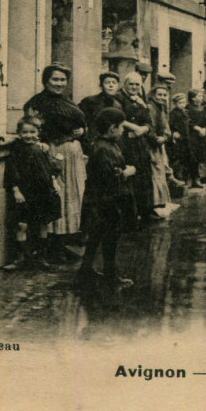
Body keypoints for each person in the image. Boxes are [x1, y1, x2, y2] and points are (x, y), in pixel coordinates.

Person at [23, 64, 87, 261]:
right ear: (46, 81)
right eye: (55, 79)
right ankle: (51, 246)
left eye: (62, 80)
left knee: (72, 199)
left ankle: (63, 243)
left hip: (73, 155)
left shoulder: (67, 101)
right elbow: (32, 129)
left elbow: (81, 123)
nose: (59, 84)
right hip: (54, 152)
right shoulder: (38, 103)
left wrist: (82, 132)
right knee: (57, 196)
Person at [76, 107, 136, 286]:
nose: (123, 130)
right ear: (112, 128)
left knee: (97, 235)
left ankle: (86, 270)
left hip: (102, 200)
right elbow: (109, 176)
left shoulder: (107, 145)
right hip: (105, 201)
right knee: (109, 237)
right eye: (121, 127)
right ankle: (109, 275)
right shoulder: (103, 148)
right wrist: (126, 173)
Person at [3, 116, 61, 270]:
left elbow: (50, 168)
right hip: (24, 192)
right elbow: (12, 171)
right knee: (22, 224)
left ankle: (40, 258)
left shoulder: (42, 149)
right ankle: (20, 258)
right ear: (19, 133)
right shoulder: (16, 149)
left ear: (38, 132)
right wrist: (16, 190)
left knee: (42, 223)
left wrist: (54, 181)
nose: (28, 135)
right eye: (24, 132)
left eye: (32, 132)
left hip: (41, 192)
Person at [116, 71, 157, 225]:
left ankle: (145, 211)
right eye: (131, 84)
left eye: (137, 85)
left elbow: (148, 121)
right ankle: (130, 215)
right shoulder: (119, 98)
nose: (134, 87)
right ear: (125, 85)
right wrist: (134, 127)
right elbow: (118, 118)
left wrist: (144, 129)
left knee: (144, 176)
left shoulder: (141, 100)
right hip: (125, 143)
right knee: (130, 177)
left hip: (140, 144)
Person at [79, 71, 122, 150]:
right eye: (107, 82)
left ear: (118, 86)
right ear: (101, 85)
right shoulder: (90, 101)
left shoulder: (117, 105)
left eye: (114, 83)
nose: (111, 85)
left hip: (109, 144)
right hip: (91, 142)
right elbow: (81, 121)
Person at [147, 84, 173, 209]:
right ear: (153, 95)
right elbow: (149, 127)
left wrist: (165, 137)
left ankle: (159, 201)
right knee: (154, 172)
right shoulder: (150, 108)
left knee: (159, 171)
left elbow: (167, 128)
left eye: (164, 95)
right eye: (159, 95)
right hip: (151, 145)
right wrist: (157, 139)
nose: (162, 97)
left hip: (159, 144)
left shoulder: (161, 109)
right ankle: (155, 202)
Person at [169, 93, 198, 188]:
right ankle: (181, 180)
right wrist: (174, 132)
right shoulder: (173, 114)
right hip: (180, 140)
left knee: (190, 159)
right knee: (180, 161)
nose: (182, 104)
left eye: (184, 102)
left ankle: (191, 180)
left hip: (187, 139)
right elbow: (170, 125)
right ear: (175, 103)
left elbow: (189, 124)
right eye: (180, 103)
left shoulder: (185, 112)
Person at [185, 90, 206, 186]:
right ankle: (191, 179)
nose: (201, 98)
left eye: (201, 96)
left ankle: (198, 178)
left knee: (201, 157)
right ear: (193, 98)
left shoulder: (203, 109)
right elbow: (188, 122)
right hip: (192, 137)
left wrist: (205, 129)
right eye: (199, 96)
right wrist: (197, 128)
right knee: (192, 158)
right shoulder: (188, 109)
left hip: (202, 137)